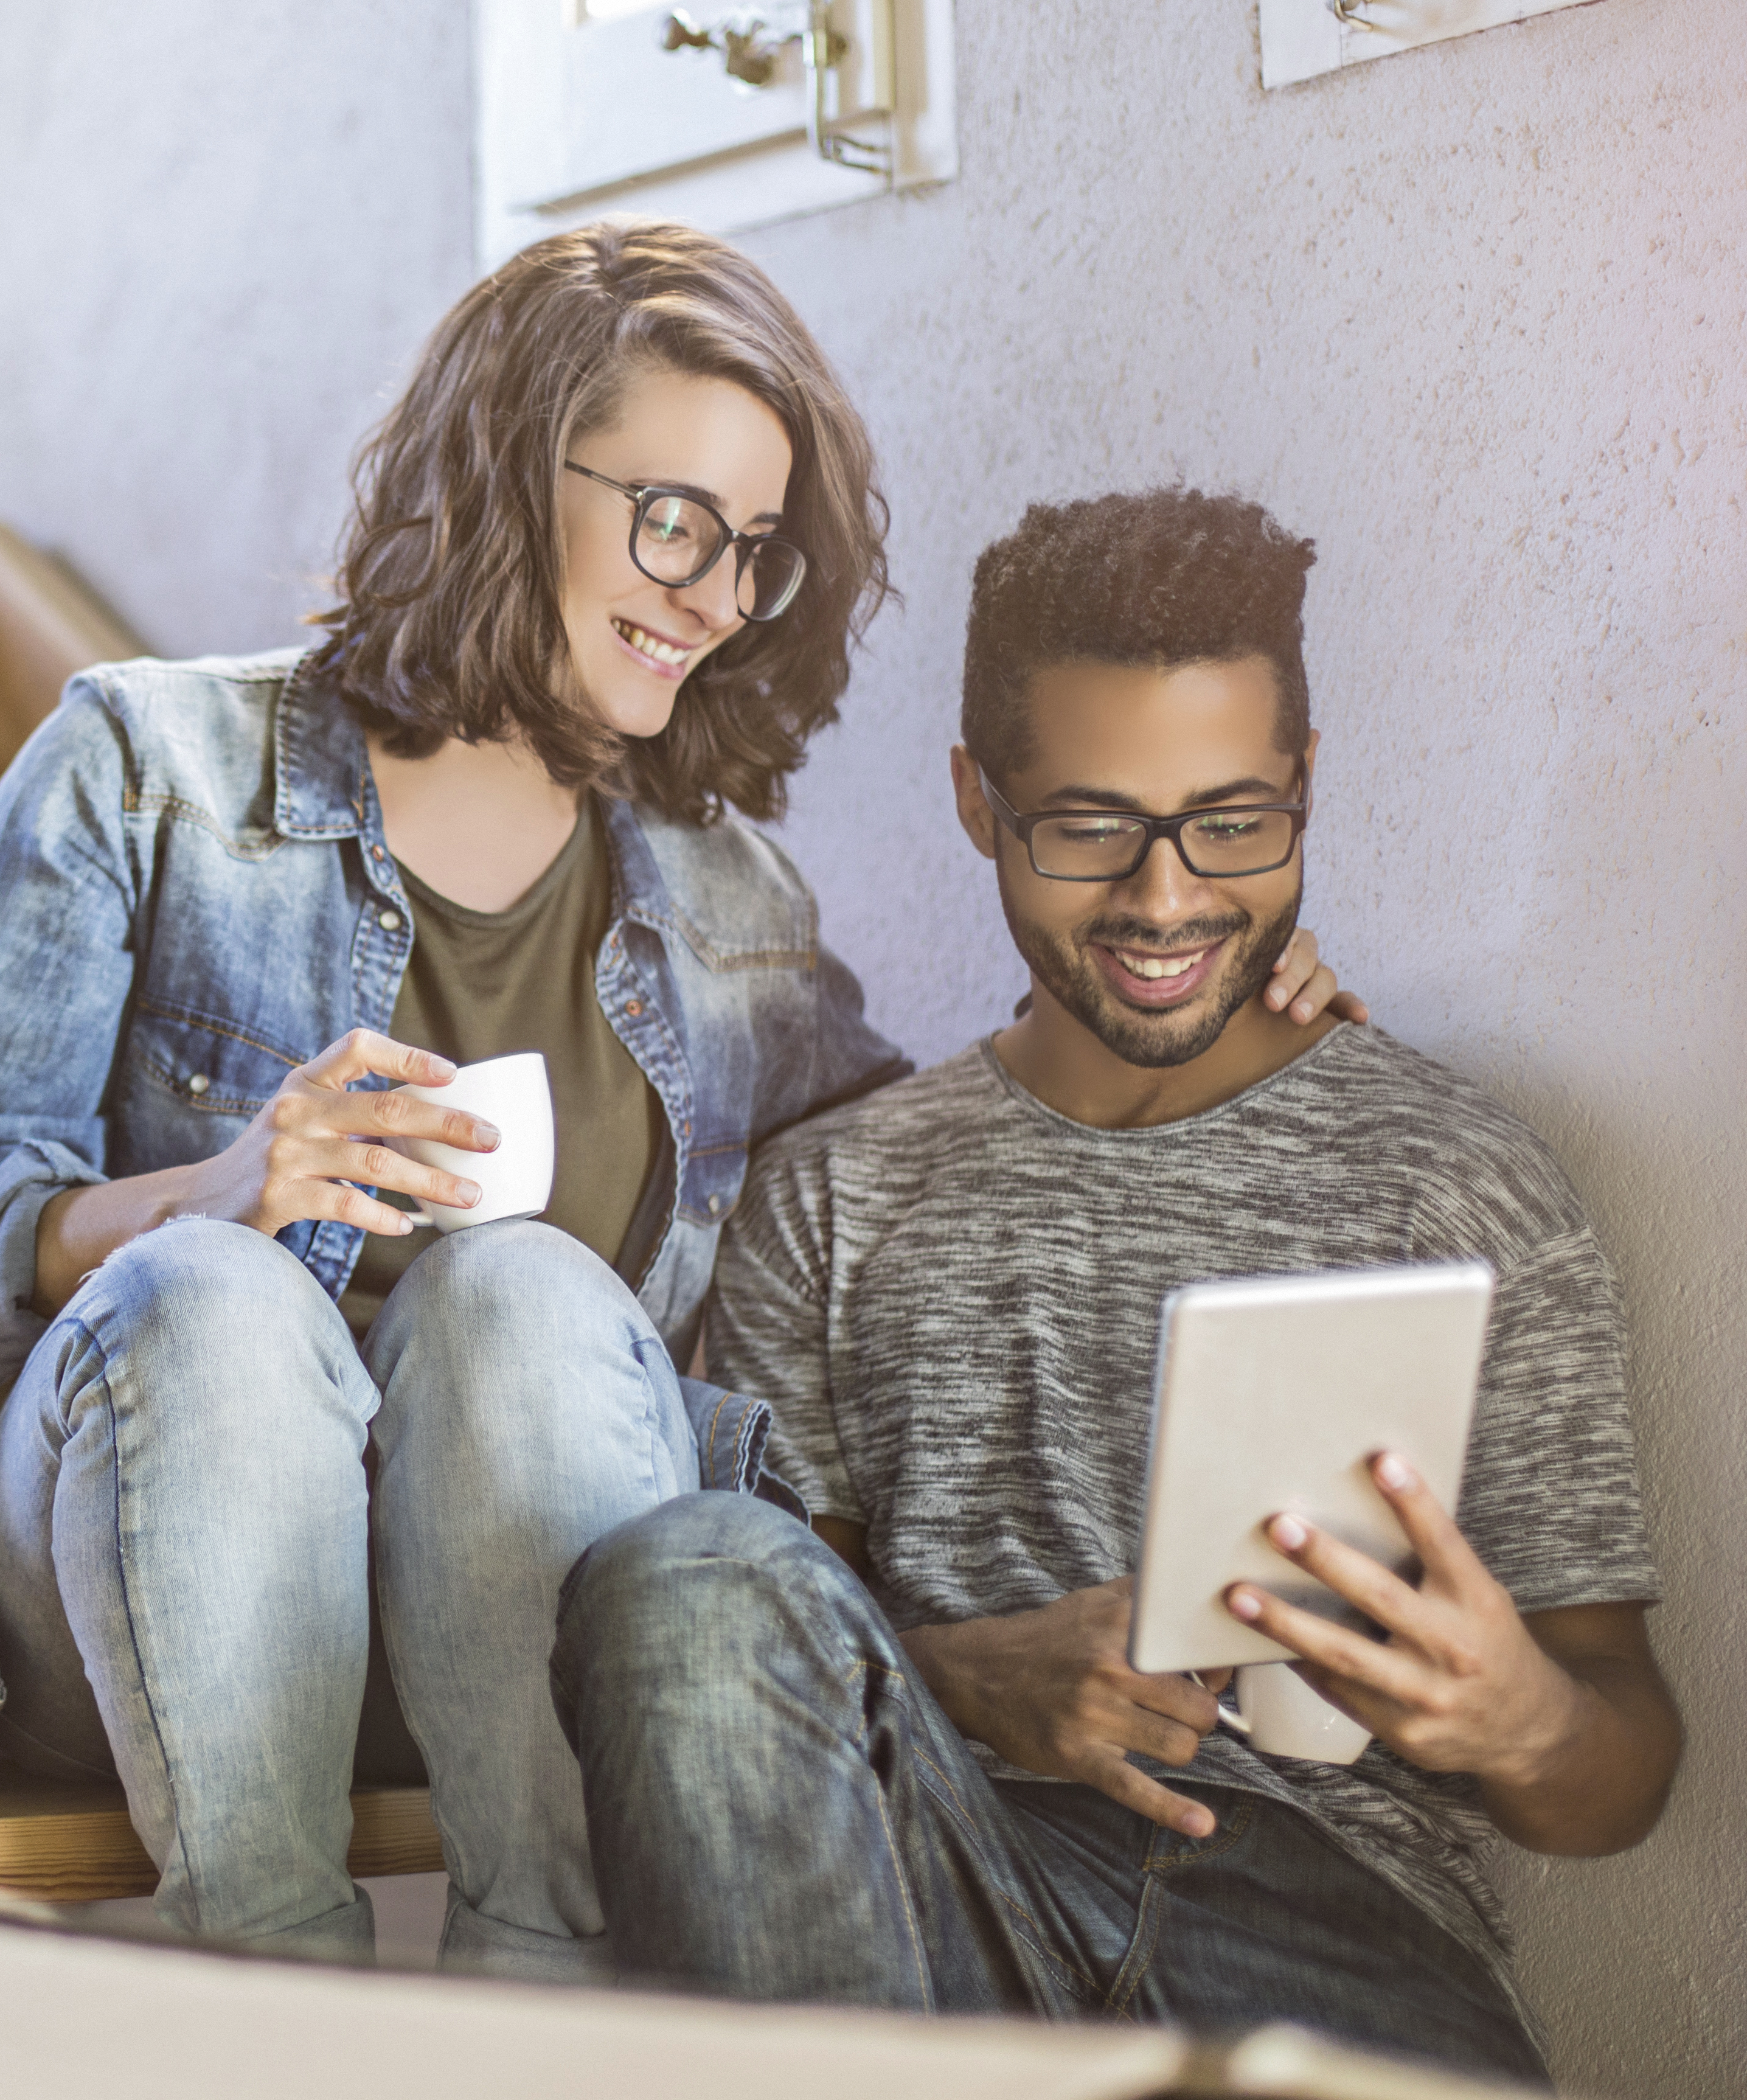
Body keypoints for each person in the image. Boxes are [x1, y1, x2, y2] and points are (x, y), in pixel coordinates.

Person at [0, 233, 1356, 1981]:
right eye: (674, 521)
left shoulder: (725, 896)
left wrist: (1216, 997)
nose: (713, 596)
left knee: (526, 1288)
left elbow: (914, 1167)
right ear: (500, 472)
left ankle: (538, 1993)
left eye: (757, 554)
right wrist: (213, 1190)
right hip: (125, 1595)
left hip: (500, 1630)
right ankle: (259, 1994)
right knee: (219, 1297)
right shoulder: (143, 764)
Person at [552, 487, 1679, 2079]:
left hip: (1333, 1925)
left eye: (1230, 822)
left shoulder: (1451, 1179)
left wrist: (1519, 1719)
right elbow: (748, 1661)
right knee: (676, 1568)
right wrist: (964, 1678)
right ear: (976, 799)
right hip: (943, 1894)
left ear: (1301, 788)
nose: (1164, 902)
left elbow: (1621, 1762)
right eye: (1088, 827)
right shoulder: (835, 1193)